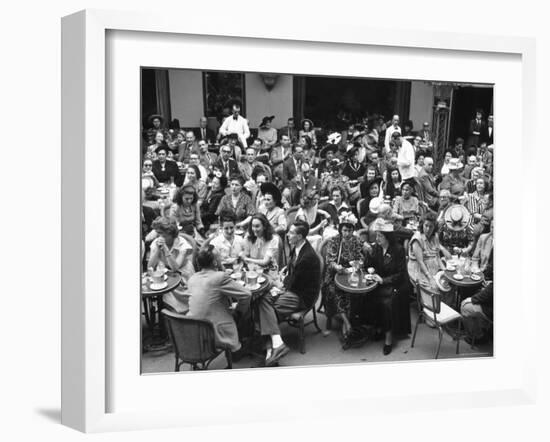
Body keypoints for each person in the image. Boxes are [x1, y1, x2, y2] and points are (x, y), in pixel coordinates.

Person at [255, 221, 322, 366]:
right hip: (293, 290)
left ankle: (269, 348)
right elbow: (294, 273)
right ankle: (276, 345)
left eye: (291, 233)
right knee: (261, 302)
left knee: (262, 308)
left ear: (299, 236)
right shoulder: (297, 248)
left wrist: (278, 284)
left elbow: (295, 284)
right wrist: (285, 272)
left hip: (301, 296)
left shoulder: (307, 257)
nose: (287, 235)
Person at [187, 246, 251, 352]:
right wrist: (239, 311)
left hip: (195, 328)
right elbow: (246, 295)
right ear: (215, 262)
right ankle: (240, 346)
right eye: (219, 257)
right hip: (216, 330)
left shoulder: (192, 279)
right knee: (246, 309)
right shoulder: (220, 277)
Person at [362, 220, 411, 355]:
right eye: (376, 235)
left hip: (397, 285)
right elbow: (368, 266)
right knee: (368, 297)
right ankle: (378, 328)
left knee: (386, 303)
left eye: (379, 236)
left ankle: (388, 338)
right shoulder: (377, 248)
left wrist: (383, 280)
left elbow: (401, 274)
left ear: (387, 237)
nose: (376, 239)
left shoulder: (398, 250)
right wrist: (368, 254)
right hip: (380, 282)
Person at [322, 211, 363, 340]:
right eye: (345, 230)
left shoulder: (356, 240)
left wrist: (360, 263)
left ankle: (350, 320)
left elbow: (360, 256)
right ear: (340, 230)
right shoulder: (335, 240)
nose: (347, 234)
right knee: (338, 292)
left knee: (355, 291)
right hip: (335, 274)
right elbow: (330, 260)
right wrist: (337, 267)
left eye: (350, 231)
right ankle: (347, 324)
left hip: (351, 273)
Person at [147, 217, 196, 313]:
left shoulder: (182, 243)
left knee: (184, 300)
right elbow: (150, 267)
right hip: (165, 274)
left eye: (162, 233)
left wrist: (165, 249)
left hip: (183, 274)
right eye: (158, 233)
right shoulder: (156, 242)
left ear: (170, 234)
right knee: (161, 287)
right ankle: (166, 314)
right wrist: (157, 249)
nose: (159, 236)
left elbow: (175, 267)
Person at [407, 212, 452, 293]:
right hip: (419, 270)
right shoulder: (417, 239)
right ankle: (428, 304)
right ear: (422, 225)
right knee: (434, 289)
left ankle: (445, 304)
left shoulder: (435, 236)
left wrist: (444, 270)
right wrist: (430, 278)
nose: (428, 229)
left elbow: (437, 257)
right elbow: (420, 262)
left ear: (434, 227)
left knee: (449, 284)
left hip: (433, 268)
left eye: (431, 226)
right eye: (426, 225)